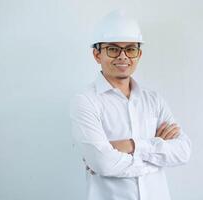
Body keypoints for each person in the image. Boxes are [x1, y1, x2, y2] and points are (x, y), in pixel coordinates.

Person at [70, 10, 191, 200]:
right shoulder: (85, 101)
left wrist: (131, 145)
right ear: (97, 55)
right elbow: (103, 163)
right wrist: (155, 154)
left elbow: (183, 151)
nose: (123, 56)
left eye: (130, 49)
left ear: (139, 54)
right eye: (113, 49)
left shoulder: (154, 100)